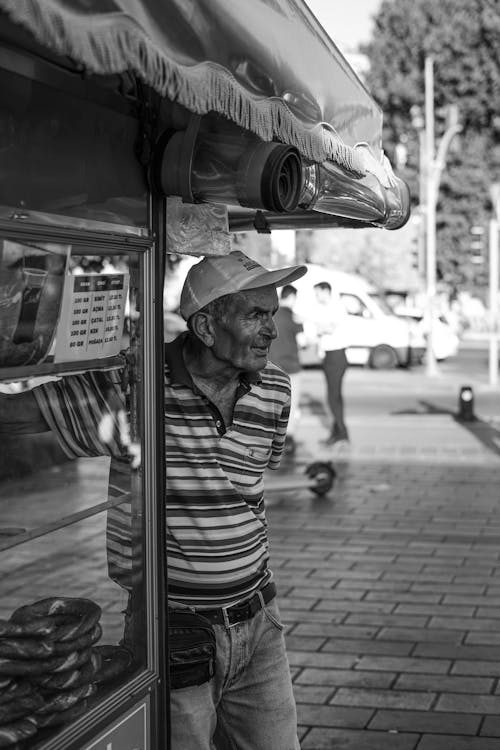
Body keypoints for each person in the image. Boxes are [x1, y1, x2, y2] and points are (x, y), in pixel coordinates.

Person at [0, 249, 307, 750]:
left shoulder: (274, 388)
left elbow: (252, 485)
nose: (273, 330)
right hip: (172, 625)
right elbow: (13, 415)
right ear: (206, 326)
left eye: (271, 314)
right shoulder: (133, 387)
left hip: (258, 618)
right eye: (256, 314)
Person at [312, 280, 350, 449]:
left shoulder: (336, 307)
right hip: (328, 356)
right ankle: (336, 434)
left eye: (318, 293)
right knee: (334, 396)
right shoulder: (323, 309)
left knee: (333, 397)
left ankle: (343, 434)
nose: (316, 297)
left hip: (336, 355)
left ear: (326, 291)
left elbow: (329, 328)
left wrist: (317, 325)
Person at [268, 284, 304, 456]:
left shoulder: (271, 315)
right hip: (292, 368)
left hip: (272, 366)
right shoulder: (294, 317)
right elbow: (304, 342)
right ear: (292, 298)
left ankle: (270, 440)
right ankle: (287, 441)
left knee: (272, 404)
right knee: (291, 405)